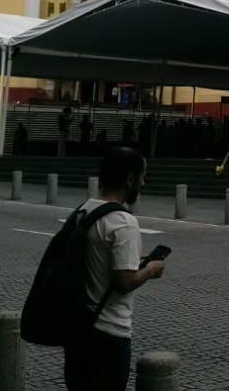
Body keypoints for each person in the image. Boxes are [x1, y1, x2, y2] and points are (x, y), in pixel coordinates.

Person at [63, 147, 165, 391]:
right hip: (109, 332)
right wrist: (151, 269)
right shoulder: (123, 222)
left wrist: (130, 258)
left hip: (78, 328)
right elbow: (125, 281)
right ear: (130, 179)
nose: (143, 183)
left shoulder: (84, 210)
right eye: (141, 177)